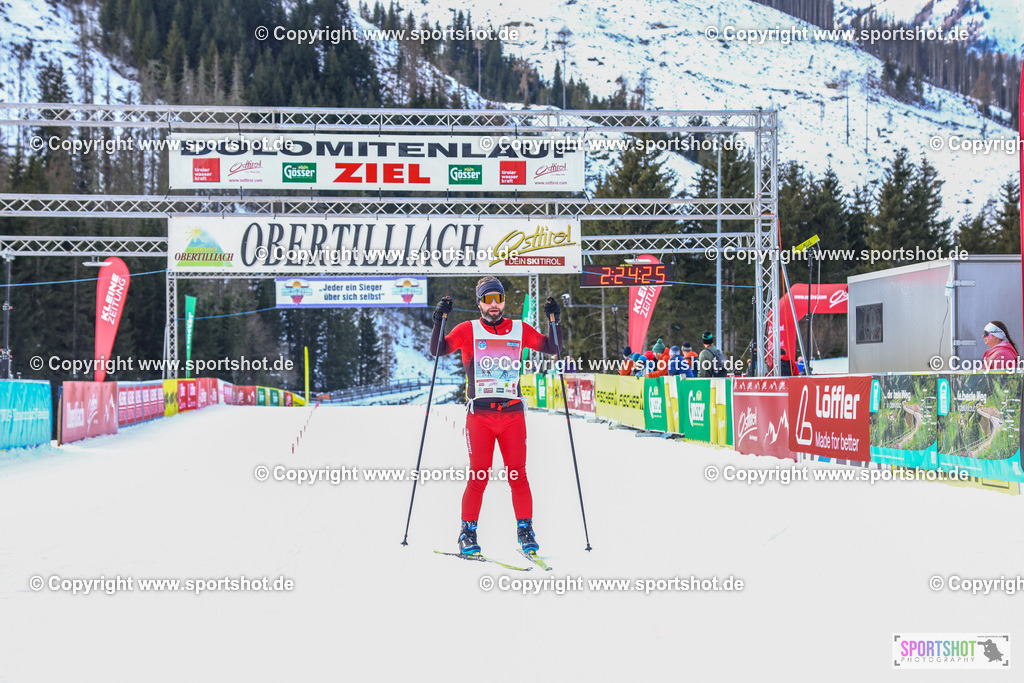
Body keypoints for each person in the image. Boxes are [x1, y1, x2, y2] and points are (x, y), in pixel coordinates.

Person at [430, 277, 562, 556]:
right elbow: (438, 350)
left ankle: (525, 530)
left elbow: (552, 348)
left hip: (512, 415)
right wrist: (439, 321)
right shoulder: (468, 329)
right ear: (479, 302)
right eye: (488, 299)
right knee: (479, 476)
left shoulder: (519, 329)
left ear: (503, 301)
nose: (494, 305)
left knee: (518, 476)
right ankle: (467, 532)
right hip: (480, 416)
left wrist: (554, 321)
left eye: (498, 299)